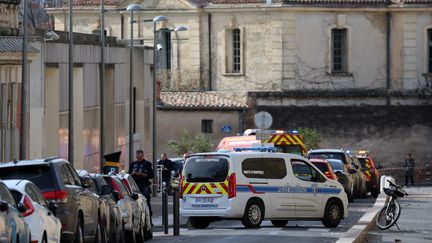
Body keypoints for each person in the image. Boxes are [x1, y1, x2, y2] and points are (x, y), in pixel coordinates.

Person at [129, 149, 154, 216]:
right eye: (137, 157)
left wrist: (142, 174)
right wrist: (133, 174)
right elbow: (128, 175)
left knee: (146, 203)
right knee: (135, 203)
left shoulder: (148, 164)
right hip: (134, 186)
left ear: (143, 156)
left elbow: (152, 175)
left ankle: (149, 219)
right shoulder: (133, 164)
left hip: (144, 185)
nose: (139, 159)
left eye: (140, 157)